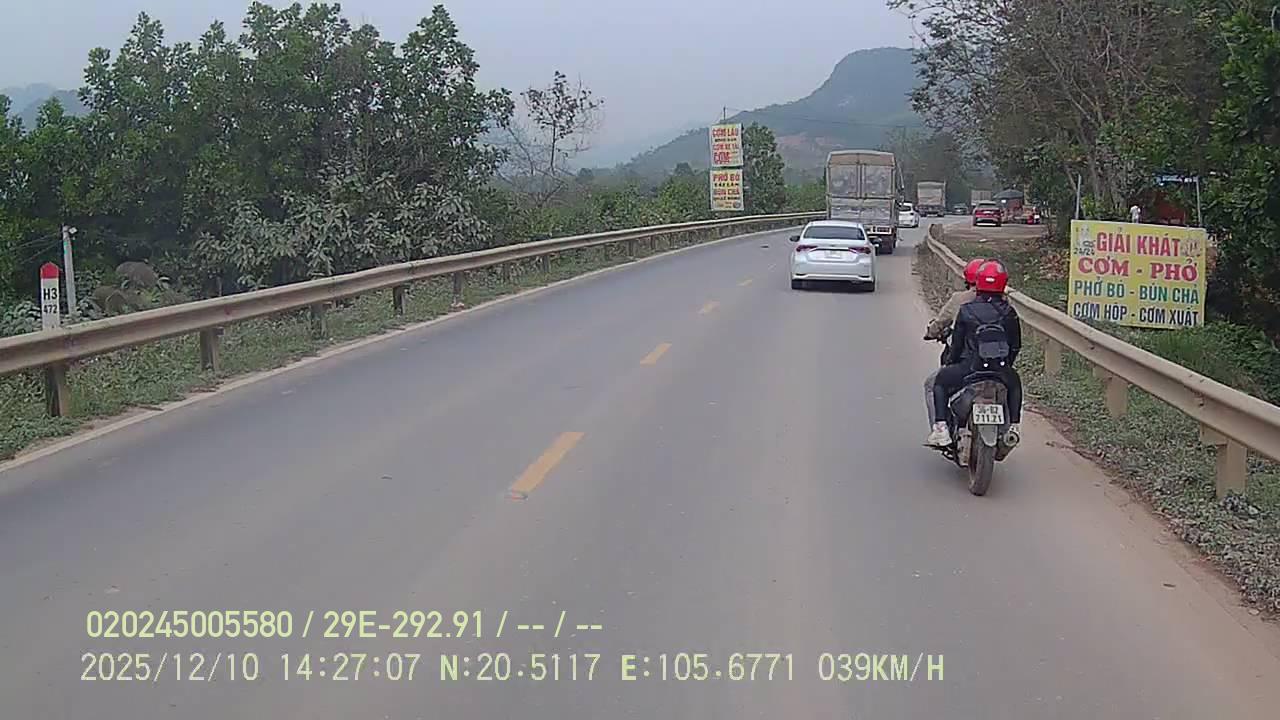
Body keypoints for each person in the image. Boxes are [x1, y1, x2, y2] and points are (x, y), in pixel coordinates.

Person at [926, 260, 1024, 447]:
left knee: (939, 382)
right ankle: (1014, 426)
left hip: (970, 368)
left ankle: (941, 429)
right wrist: (1006, 365)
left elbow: (957, 345)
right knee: (1015, 383)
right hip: (999, 369)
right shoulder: (1009, 311)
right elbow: (1015, 345)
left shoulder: (966, 309)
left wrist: (951, 363)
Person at [922, 258, 985, 430]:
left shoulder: (960, 300)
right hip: (997, 366)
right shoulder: (1004, 303)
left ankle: (940, 429)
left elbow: (942, 326)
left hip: (966, 363)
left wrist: (931, 332)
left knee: (932, 385)